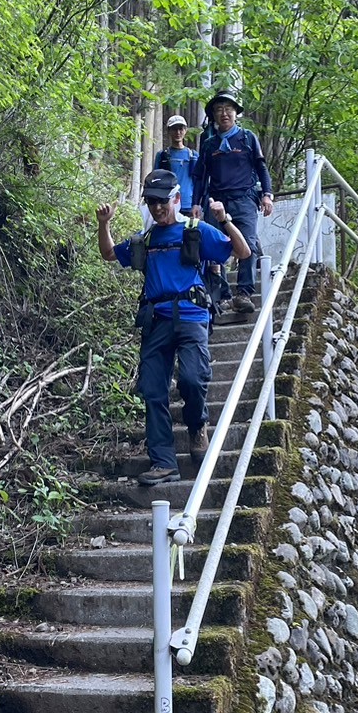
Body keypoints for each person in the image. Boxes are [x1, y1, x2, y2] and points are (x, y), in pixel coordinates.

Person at [97, 168, 250, 486]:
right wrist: (104, 224)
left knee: (192, 380)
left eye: (162, 202)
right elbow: (110, 254)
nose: (157, 208)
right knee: (153, 391)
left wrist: (224, 219)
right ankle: (164, 462)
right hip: (156, 320)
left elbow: (242, 251)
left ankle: (197, 425)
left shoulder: (196, 230)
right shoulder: (147, 239)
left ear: (176, 199)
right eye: (151, 202)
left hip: (193, 316)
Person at [192, 90, 274, 316]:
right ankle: (224, 295)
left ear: (236, 113)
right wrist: (195, 204)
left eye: (228, 109)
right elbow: (200, 177)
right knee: (212, 247)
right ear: (213, 116)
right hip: (216, 202)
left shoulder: (247, 138)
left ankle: (244, 293)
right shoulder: (209, 145)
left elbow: (261, 167)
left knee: (247, 244)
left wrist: (267, 194)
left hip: (245, 199)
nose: (224, 113)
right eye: (219, 109)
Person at [155, 114, 198, 211]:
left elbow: (199, 181)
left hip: (189, 204)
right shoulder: (162, 156)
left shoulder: (193, 155)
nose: (178, 132)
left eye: (181, 129)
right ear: (169, 131)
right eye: (174, 129)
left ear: (185, 130)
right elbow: (156, 181)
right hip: (169, 204)